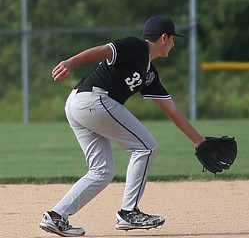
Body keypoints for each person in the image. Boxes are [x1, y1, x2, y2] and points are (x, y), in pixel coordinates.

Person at [39, 15, 205, 237]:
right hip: (93, 100)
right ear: (164, 38)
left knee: (102, 171)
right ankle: (129, 213)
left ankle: (57, 216)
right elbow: (102, 50)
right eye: (173, 39)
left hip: (81, 104)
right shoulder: (137, 47)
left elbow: (171, 109)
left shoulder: (149, 74)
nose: (173, 44)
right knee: (146, 147)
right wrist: (71, 63)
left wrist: (199, 142)